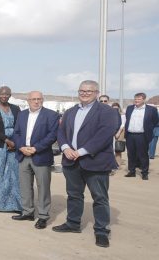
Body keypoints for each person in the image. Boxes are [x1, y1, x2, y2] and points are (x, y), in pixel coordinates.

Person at [53, 80, 119, 248]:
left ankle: (102, 230)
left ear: (96, 92)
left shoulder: (106, 112)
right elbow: (61, 132)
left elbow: (104, 135)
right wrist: (66, 147)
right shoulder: (70, 111)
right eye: (82, 90)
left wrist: (81, 151)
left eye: (89, 91)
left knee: (100, 197)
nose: (84, 93)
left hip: (95, 161)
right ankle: (73, 223)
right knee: (74, 195)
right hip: (71, 160)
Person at [11, 91, 59, 230]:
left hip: (41, 156)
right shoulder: (22, 114)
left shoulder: (51, 115)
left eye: (39, 99)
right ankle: (28, 212)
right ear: (28, 100)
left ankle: (43, 216)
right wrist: (21, 147)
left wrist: (36, 148)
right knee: (25, 186)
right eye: (33, 99)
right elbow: (16, 133)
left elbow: (52, 135)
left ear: (42, 100)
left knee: (43, 187)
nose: (36, 101)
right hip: (23, 155)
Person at [124, 93, 159, 180]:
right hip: (130, 135)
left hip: (142, 135)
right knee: (130, 154)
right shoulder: (130, 108)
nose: (136, 100)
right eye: (135, 99)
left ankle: (144, 173)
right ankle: (132, 171)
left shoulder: (151, 110)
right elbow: (127, 119)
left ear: (144, 99)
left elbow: (155, 121)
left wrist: (149, 129)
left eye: (139, 99)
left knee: (143, 155)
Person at [111, 102, 126, 168]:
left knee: (118, 148)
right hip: (112, 131)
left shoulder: (122, 115)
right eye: (113, 108)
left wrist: (118, 133)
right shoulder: (110, 114)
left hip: (120, 131)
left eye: (116, 108)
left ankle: (118, 163)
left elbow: (122, 125)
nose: (115, 110)